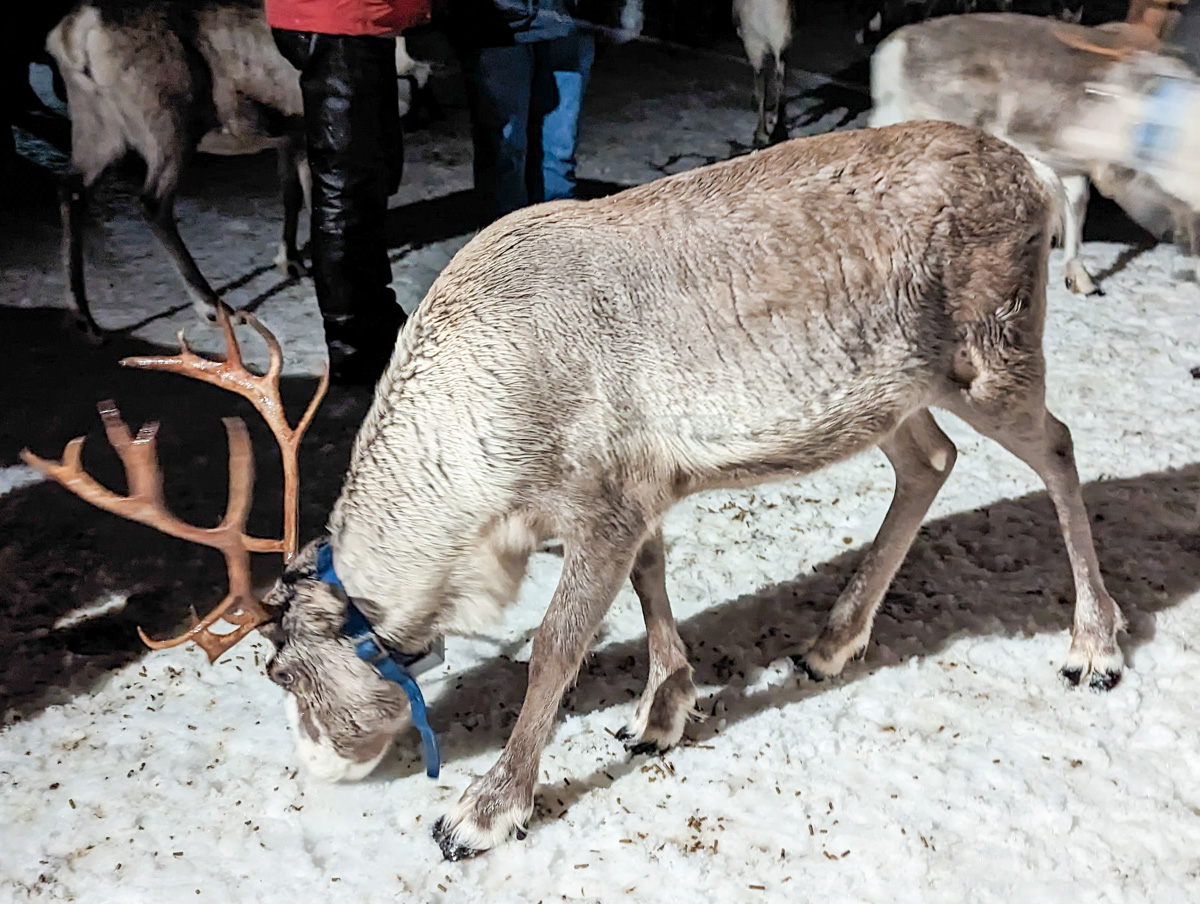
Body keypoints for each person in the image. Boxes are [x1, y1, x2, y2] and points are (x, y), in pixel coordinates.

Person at [266, 0, 432, 384]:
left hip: (358, 21)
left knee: (367, 179)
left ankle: (374, 318)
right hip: (338, 21)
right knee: (345, 191)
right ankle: (353, 348)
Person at [443, 0, 597, 221]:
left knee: (559, 151)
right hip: (494, 24)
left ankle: (558, 236)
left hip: (570, 20)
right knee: (503, 151)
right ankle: (507, 243)